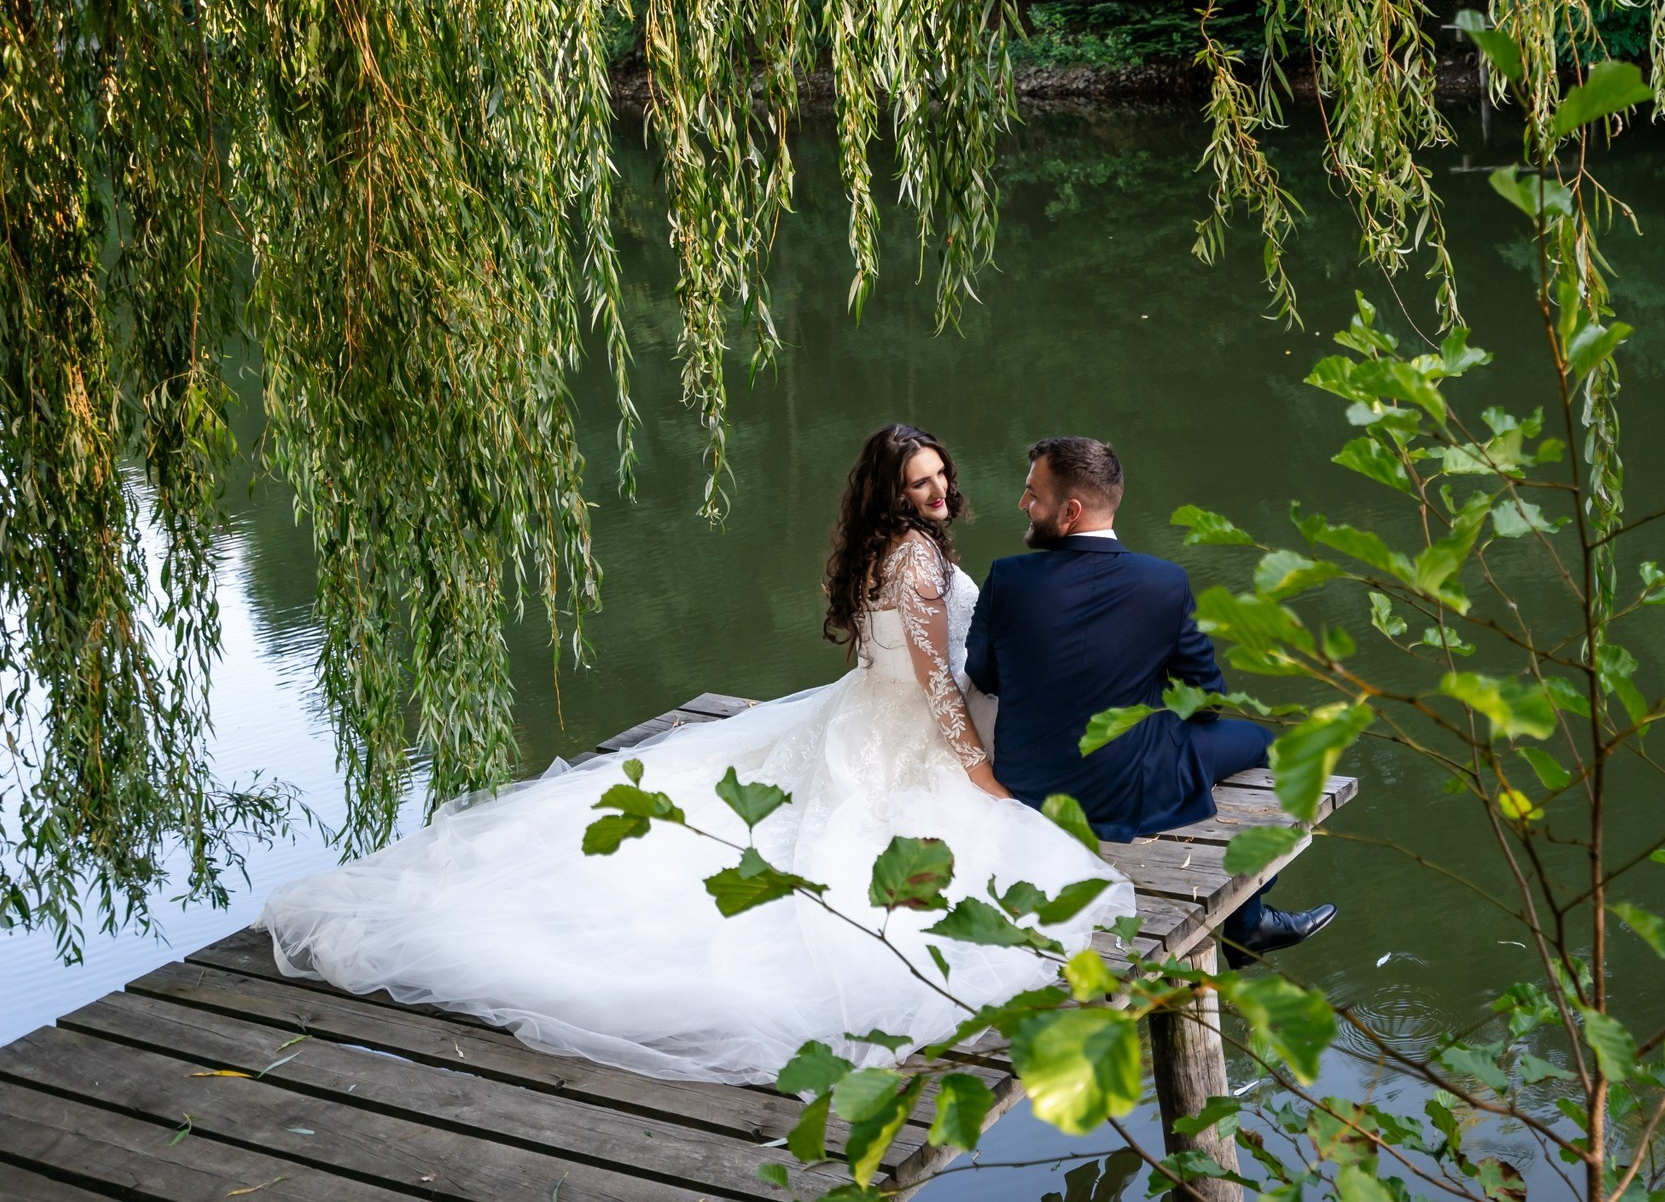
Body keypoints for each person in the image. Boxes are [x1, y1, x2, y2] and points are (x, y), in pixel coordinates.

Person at [254, 424, 1132, 1086]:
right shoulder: (914, 556)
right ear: (893, 494)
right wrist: (980, 772)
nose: (941, 490)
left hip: (866, 710)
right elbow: (937, 680)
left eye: (940, 474)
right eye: (921, 482)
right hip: (901, 730)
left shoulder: (893, 547)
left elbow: (892, 657)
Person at [965, 435, 1338, 959]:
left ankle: (1248, 922)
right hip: (1125, 793)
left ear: (1070, 511)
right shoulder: (1164, 582)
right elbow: (1207, 701)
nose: (1023, 504)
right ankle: (1248, 921)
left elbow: (982, 674)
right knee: (1262, 743)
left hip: (1029, 787)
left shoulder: (1007, 578)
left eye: (1033, 494)